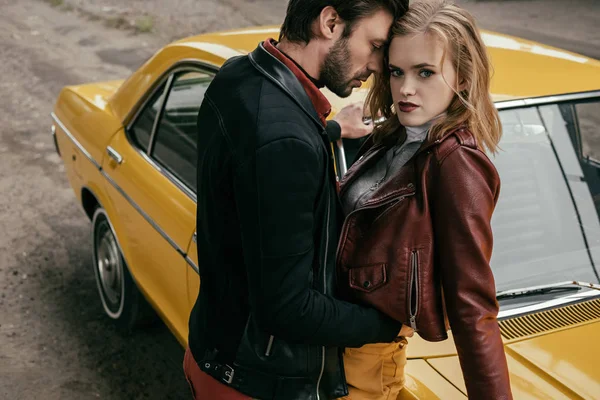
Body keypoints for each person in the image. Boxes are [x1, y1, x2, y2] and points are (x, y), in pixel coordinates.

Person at [184, 1, 410, 399]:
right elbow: (288, 310)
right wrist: (389, 325)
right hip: (254, 382)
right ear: (330, 22)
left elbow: (263, 145)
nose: (377, 65)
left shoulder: (239, 74)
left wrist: (333, 129)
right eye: (374, 45)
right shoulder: (285, 140)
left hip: (215, 350)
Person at [336, 1, 513, 399]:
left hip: (365, 367)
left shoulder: (456, 164)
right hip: (327, 348)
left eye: (425, 72)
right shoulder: (396, 135)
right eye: (397, 71)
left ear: (463, 77)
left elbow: (473, 303)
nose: (406, 88)